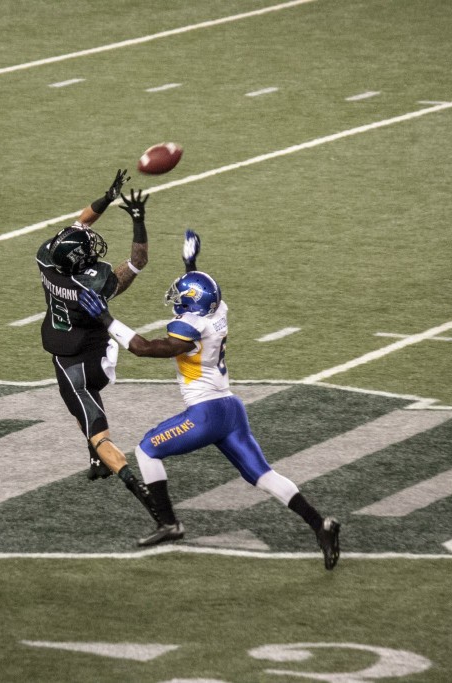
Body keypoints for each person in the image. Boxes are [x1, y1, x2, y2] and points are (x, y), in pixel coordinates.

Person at [78, 230, 341, 569]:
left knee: (146, 450)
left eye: (183, 297)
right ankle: (322, 525)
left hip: (206, 414)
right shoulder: (218, 310)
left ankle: (169, 523)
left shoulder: (189, 328)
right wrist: (191, 264)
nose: (178, 300)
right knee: (263, 476)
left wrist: (106, 318)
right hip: (230, 408)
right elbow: (204, 295)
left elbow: (144, 348)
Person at [35, 169, 159, 523]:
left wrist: (105, 198)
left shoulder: (47, 259)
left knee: (88, 417)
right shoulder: (93, 286)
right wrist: (139, 221)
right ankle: (114, 472)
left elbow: (79, 223)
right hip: (96, 355)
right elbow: (137, 261)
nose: (93, 244)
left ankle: (114, 472)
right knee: (91, 423)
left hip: (68, 359)